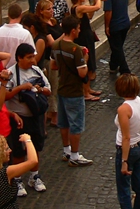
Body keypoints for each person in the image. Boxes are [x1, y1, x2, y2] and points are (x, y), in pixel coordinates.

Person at [4, 43, 50, 194]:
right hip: (18, 118)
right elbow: (4, 96)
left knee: (35, 146)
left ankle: (34, 177)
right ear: (19, 58)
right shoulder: (10, 74)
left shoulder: (36, 71)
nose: (32, 60)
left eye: (33, 57)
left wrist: (39, 89)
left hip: (35, 116)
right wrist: (20, 88)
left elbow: (48, 90)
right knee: (18, 151)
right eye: (29, 57)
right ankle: (17, 180)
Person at [53, 15, 93, 166]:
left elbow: (53, 66)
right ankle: (75, 156)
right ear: (73, 31)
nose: (79, 30)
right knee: (76, 124)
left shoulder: (56, 46)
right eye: (78, 28)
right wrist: (86, 58)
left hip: (61, 88)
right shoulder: (76, 50)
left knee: (64, 123)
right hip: (74, 91)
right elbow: (82, 73)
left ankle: (66, 151)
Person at [114, 73, 140, 209]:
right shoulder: (139, 101)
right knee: (139, 187)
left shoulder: (124, 109)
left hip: (128, 150)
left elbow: (126, 137)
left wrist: (124, 161)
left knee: (124, 190)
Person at [102, 0, 131, 74]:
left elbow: (108, 12)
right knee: (117, 46)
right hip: (125, 23)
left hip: (115, 25)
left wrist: (107, 26)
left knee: (117, 48)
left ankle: (125, 69)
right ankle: (113, 65)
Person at [0, 4, 35, 69]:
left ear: (8, 15)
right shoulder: (25, 34)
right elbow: (32, 55)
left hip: (1, 70)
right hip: (19, 72)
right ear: (21, 15)